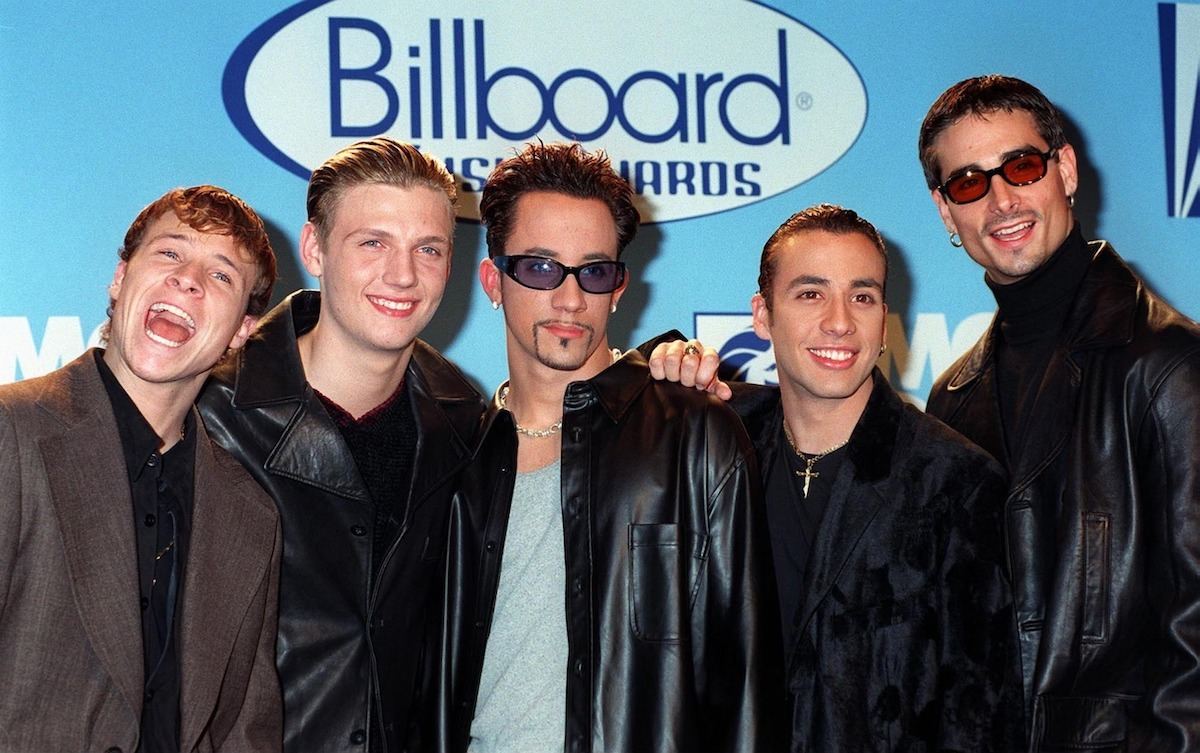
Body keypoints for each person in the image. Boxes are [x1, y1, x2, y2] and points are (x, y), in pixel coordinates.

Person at [424, 142, 783, 753]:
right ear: (492, 280)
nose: (570, 298)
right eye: (539, 267)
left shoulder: (694, 432)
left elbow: (745, 680)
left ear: (618, 287)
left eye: (593, 271)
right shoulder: (459, 455)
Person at [654, 204, 1022, 751]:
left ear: (883, 319)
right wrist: (657, 366)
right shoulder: (719, 446)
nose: (840, 321)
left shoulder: (956, 482)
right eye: (810, 293)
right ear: (762, 315)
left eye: (862, 296)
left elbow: (981, 719)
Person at [918, 75, 1200, 751]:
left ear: (1065, 170)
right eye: (968, 183)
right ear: (943, 211)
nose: (1001, 198)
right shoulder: (950, 400)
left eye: (1020, 165)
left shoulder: (1167, 365)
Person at [198, 139, 485, 753]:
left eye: (428, 248)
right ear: (315, 250)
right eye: (373, 242)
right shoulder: (212, 412)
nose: (403, 275)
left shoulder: (464, 423)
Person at [0, 185, 282, 752]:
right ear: (119, 278)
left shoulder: (250, 515)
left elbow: (245, 733)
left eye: (222, 275)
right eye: (170, 253)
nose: (188, 279)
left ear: (241, 332)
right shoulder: (12, 433)